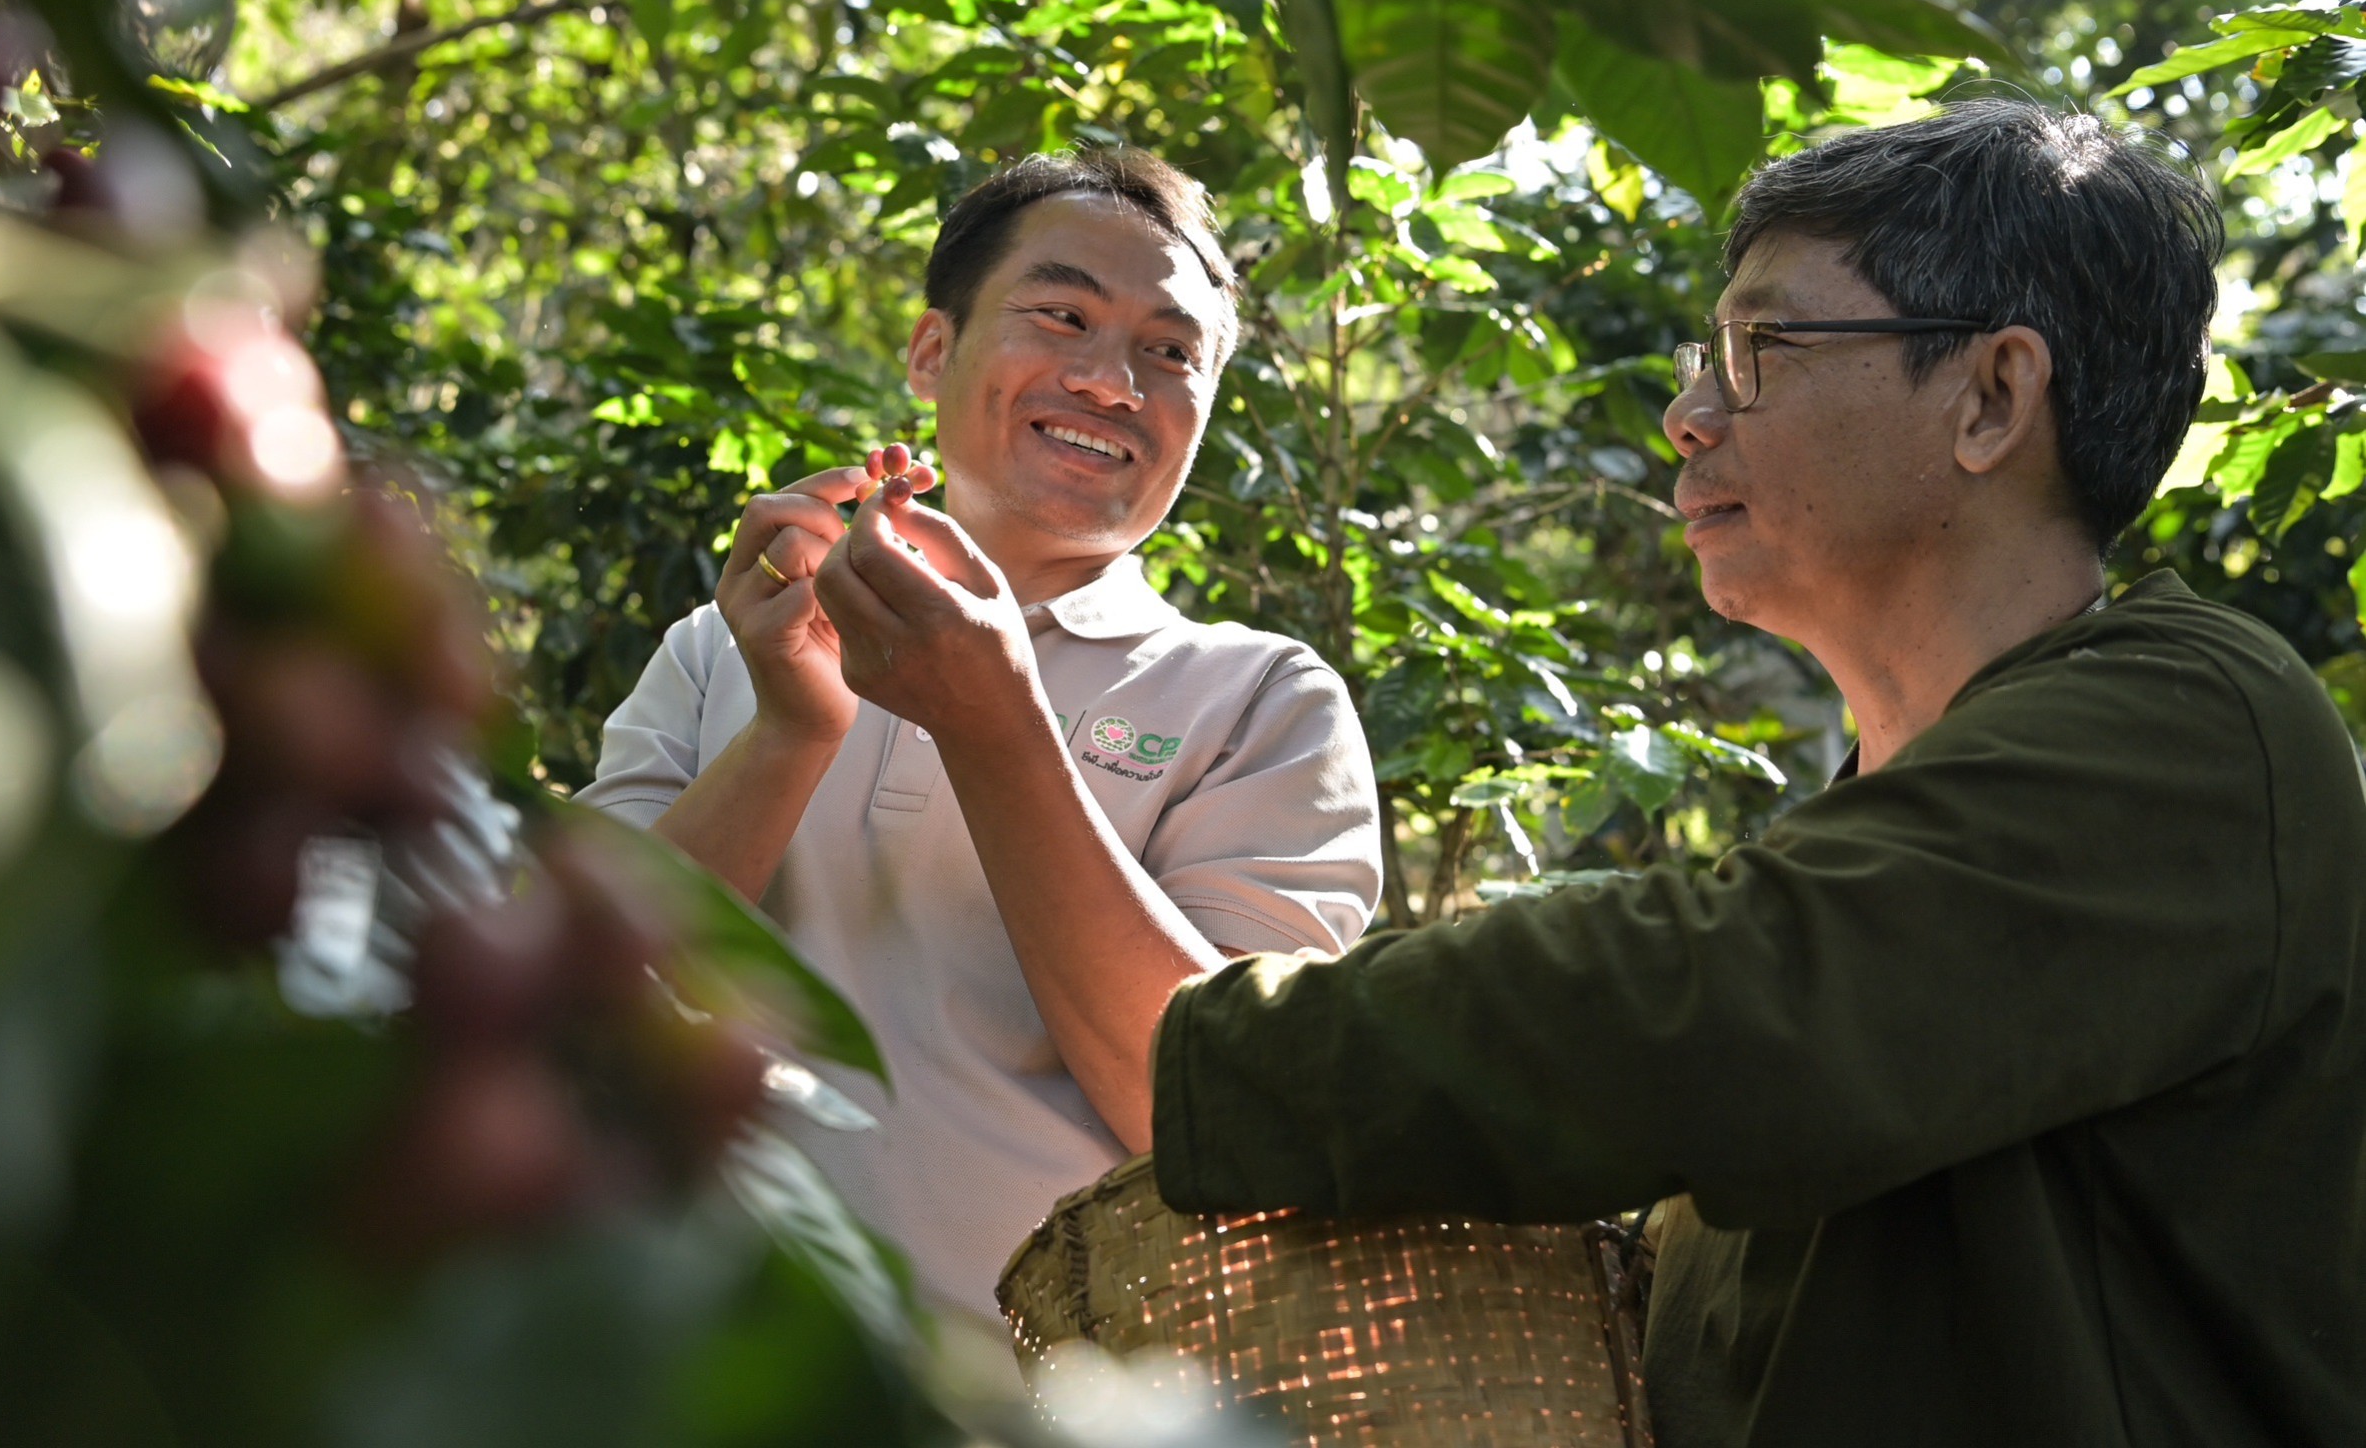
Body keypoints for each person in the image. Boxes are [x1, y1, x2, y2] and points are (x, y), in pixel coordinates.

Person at [1145, 99, 2366, 1446]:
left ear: (1993, 395)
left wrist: (1200, 1048)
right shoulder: (1876, 828)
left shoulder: (2200, 723)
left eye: (1756, 350)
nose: (1687, 417)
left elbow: (1709, 1007)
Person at [578, 148, 1381, 1340]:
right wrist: (790, 728)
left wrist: (998, 718)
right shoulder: (722, 646)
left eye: (1171, 353)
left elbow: (1221, 1114)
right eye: (1062, 316)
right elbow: (571, 1011)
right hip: (667, 1377)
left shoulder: (1262, 701)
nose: (1113, 382)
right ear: (930, 353)